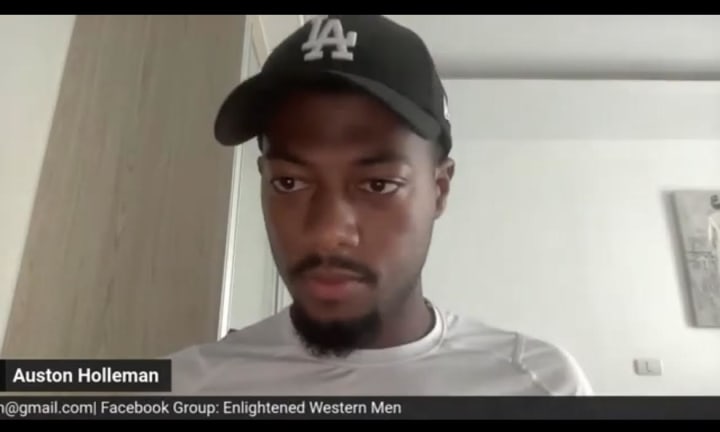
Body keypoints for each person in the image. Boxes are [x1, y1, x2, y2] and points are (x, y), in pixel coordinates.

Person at [168, 15, 593, 396]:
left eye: (378, 184)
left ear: (439, 189)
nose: (327, 232)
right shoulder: (181, 387)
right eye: (289, 182)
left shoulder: (539, 388)